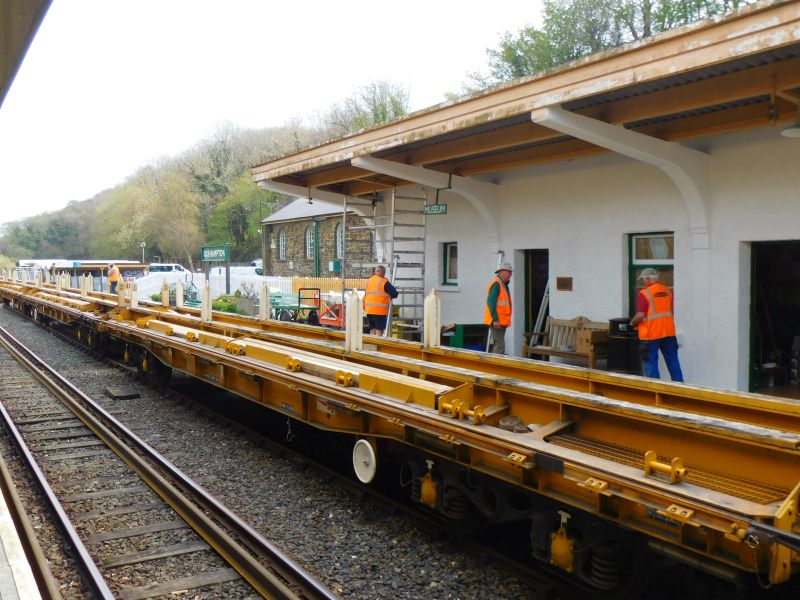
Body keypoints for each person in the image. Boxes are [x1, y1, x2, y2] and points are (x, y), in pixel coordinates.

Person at [630, 267, 684, 381]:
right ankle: (680, 387)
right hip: (668, 333)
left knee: (651, 364)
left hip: (651, 335)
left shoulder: (645, 293)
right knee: (673, 361)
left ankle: (654, 392)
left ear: (648, 279)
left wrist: (631, 324)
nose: (643, 282)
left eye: (644, 280)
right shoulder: (667, 291)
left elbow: (640, 315)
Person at [484, 262, 513, 354]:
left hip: (501, 320)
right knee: (499, 345)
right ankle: (495, 366)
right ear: (502, 272)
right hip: (497, 321)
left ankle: (495, 364)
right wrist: (495, 320)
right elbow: (491, 303)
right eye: (509, 272)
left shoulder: (502, 284)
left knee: (499, 344)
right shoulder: (497, 284)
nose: (511, 275)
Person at [363, 265, 398, 336]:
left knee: (372, 330)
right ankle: (378, 346)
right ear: (383, 272)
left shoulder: (369, 280)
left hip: (369, 310)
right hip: (379, 311)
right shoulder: (383, 281)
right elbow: (395, 294)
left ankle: (372, 345)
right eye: (384, 273)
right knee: (379, 331)